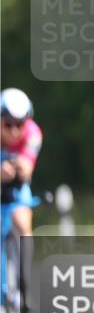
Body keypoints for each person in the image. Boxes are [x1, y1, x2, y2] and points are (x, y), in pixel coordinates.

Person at [1, 88, 42, 240]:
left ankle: (25, 263)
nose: (14, 131)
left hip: (15, 185)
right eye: (8, 124)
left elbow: (26, 170)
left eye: (19, 125)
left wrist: (19, 167)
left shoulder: (33, 134)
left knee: (23, 225)